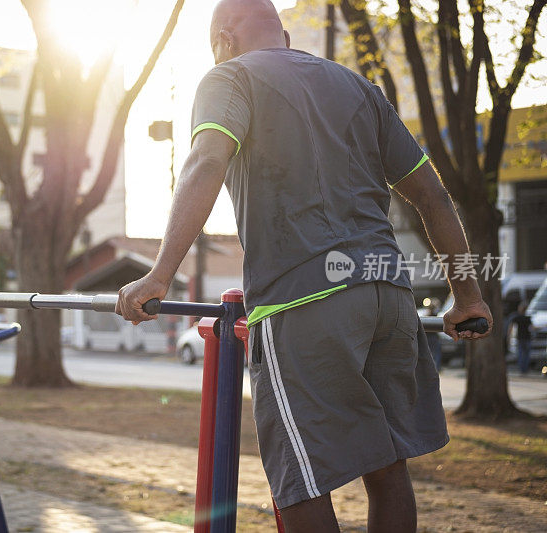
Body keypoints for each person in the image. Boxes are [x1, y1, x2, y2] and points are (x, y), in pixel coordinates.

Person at [115, 1, 493, 531]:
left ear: (224, 38)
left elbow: (205, 161)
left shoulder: (229, 77)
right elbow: (431, 195)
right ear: (285, 36)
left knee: (300, 480)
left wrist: (159, 275)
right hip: (390, 297)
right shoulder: (360, 88)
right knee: (387, 469)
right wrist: (468, 295)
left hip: (305, 301)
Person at [510, 302, 533, 375]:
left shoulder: (517, 318)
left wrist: (509, 336)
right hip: (527, 338)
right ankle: (525, 369)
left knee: (521, 354)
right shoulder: (527, 318)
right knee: (526, 355)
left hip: (520, 338)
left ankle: (521, 369)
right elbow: (532, 328)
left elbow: (511, 327)